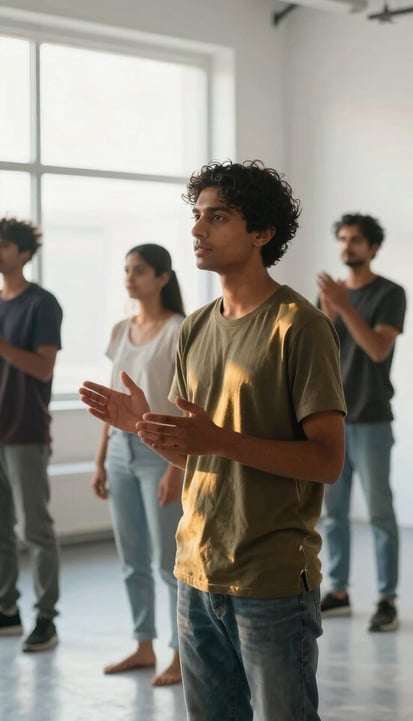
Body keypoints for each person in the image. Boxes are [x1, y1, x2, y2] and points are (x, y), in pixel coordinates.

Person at [80, 160, 346, 721]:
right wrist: (142, 428)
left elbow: (326, 461)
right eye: (197, 216)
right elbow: (197, 453)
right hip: (195, 571)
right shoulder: (196, 327)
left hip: (271, 577)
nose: (198, 230)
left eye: (217, 217)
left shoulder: (299, 325)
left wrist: (222, 440)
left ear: (262, 233)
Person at [91, 244, 185, 686]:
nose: (130, 277)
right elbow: (113, 402)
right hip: (119, 454)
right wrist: (101, 460)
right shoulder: (120, 330)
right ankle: (143, 645)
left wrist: (175, 468)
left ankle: (181, 652)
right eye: (127, 270)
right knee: (132, 558)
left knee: (169, 561)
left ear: (163, 277)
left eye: (140, 270)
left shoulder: (179, 330)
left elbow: (188, 405)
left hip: (159, 454)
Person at [317, 213, 406, 632]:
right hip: (332, 418)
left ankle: (387, 599)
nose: (347, 247)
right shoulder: (331, 296)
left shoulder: (390, 294)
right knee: (333, 513)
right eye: (343, 239)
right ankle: (338, 591)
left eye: (356, 240)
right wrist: (331, 310)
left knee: (379, 514)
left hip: (371, 418)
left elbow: (375, 349)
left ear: (373, 248)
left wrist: (343, 306)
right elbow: (322, 351)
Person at [0, 217, 63, 653]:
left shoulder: (42, 303)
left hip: (25, 431)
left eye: (4, 246)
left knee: (35, 530)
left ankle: (46, 618)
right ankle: (7, 610)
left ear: (23, 253)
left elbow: (43, 367)